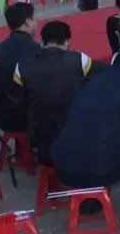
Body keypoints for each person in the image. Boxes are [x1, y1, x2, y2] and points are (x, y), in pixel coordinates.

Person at [52, 42, 120, 228]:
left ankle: (90, 200)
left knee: (97, 139)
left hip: (63, 166)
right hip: (97, 170)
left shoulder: (91, 82)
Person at [17, 20, 92, 166]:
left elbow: (20, 101)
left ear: (42, 41)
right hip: (74, 135)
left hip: (39, 136)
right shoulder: (80, 59)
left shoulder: (22, 65)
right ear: (67, 41)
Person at [0, 2, 40, 134]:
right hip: (27, 118)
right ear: (27, 22)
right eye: (34, 19)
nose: (36, 22)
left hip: (2, 116)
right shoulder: (37, 49)